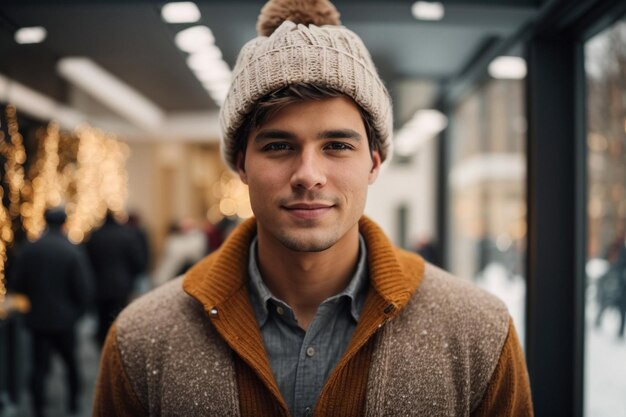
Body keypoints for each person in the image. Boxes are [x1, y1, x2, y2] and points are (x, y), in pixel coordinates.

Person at [94, 0, 533, 415]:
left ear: (374, 163)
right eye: (279, 145)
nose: (308, 174)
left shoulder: (477, 331)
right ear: (242, 163)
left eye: (337, 145)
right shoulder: (144, 338)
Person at [12, 208, 94, 417]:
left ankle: (38, 408)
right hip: (65, 320)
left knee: (39, 366)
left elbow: (18, 283)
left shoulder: (30, 250)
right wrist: (77, 313)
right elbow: (83, 288)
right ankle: (73, 405)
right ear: (65, 222)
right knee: (71, 365)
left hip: (39, 319)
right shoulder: (72, 250)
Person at [85, 211, 144, 346]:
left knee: (103, 318)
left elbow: (88, 261)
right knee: (119, 317)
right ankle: (117, 345)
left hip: (100, 285)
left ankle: (104, 346)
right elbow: (137, 261)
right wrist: (132, 277)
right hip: (122, 285)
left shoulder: (95, 235)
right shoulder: (127, 235)